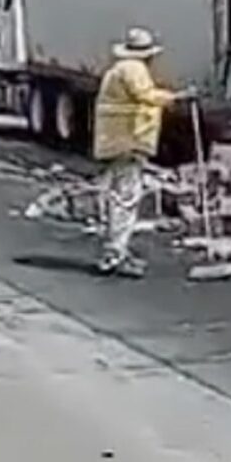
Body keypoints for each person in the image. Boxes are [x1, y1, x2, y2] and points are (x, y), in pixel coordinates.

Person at [92, 27, 181, 278]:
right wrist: (175, 98)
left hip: (117, 139)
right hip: (128, 139)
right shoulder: (133, 69)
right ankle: (115, 253)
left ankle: (116, 249)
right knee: (126, 198)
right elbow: (145, 96)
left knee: (118, 196)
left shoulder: (118, 69)